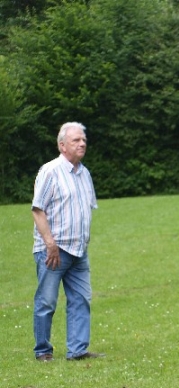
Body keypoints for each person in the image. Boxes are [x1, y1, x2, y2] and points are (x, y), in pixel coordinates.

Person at [31, 122, 105, 361]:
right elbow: (37, 210)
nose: (82, 143)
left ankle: (77, 350)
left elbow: (85, 209)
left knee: (81, 299)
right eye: (76, 140)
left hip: (79, 250)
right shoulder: (50, 171)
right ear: (62, 145)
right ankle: (43, 350)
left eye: (83, 139)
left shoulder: (85, 173)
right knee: (47, 302)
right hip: (53, 250)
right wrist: (49, 243)